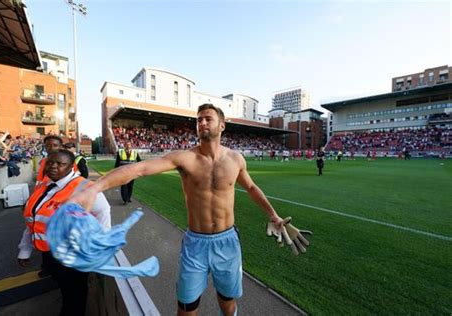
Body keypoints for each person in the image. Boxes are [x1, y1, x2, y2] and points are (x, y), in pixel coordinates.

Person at [70, 104, 288, 316]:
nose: (201, 122)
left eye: (208, 118)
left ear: (222, 125)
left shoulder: (235, 159)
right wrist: (96, 187)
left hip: (227, 242)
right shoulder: (185, 158)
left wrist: (273, 214)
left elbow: (250, 187)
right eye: (198, 119)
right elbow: (140, 168)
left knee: (227, 301)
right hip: (196, 244)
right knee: (186, 306)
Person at [17, 149, 111, 316]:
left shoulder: (85, 188)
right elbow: (33, 219)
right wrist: (25, 249)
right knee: (66, 291)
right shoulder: (44, 185)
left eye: (60, 164)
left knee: (74, 299)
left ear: (71, 167)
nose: (53, 166)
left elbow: (103, 214)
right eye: (50, 162)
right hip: (49, 253)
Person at [114, 140, 142, 205]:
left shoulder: (135, 153)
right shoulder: (120, 152)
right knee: (124, 186)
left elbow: (140, 162)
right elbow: (117, 163)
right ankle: (125, 200)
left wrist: (139, 170)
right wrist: (115, 172)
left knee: (130, 186)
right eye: (126, 144)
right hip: (122, 173)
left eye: (129, 144)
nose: (128, 146)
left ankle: (128, 198)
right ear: (124, 145)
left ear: (131, 145)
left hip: (132, 173)